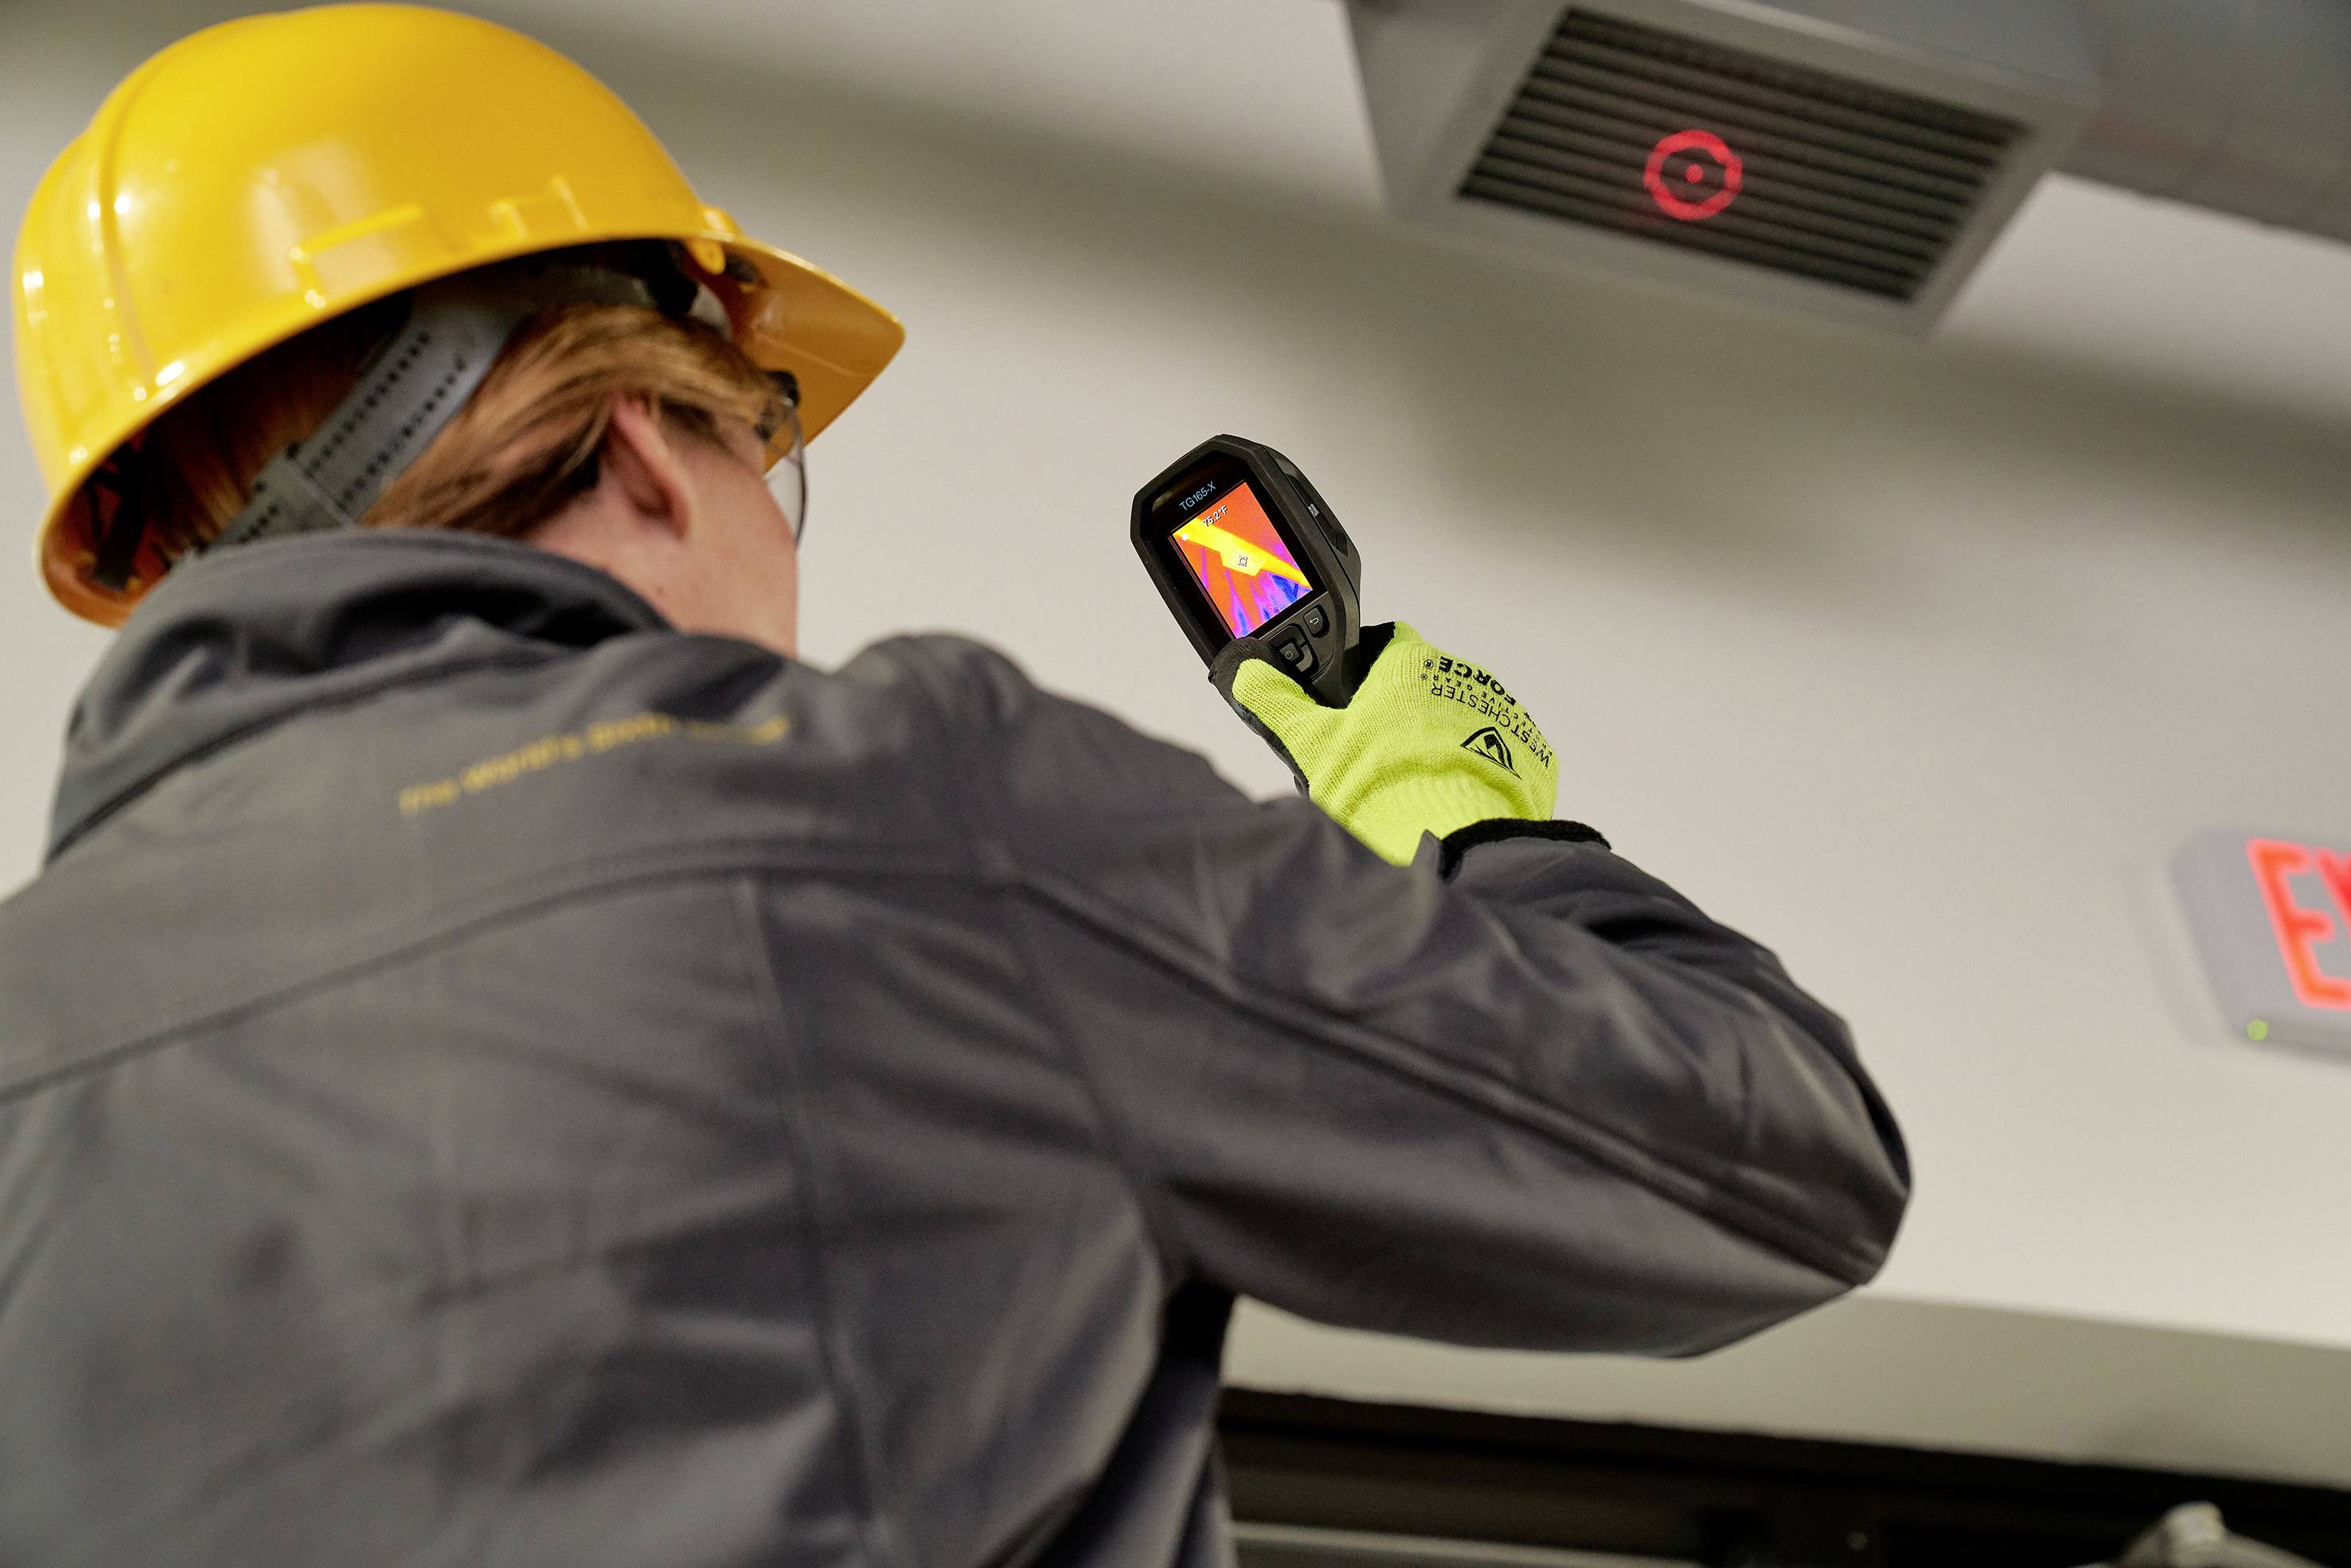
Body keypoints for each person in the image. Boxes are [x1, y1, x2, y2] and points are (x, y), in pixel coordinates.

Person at [0, 8, 1908, 1566]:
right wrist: (1451, 802)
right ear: (651, 451)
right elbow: (1780, 1160)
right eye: (768, 437)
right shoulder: (891, 814)